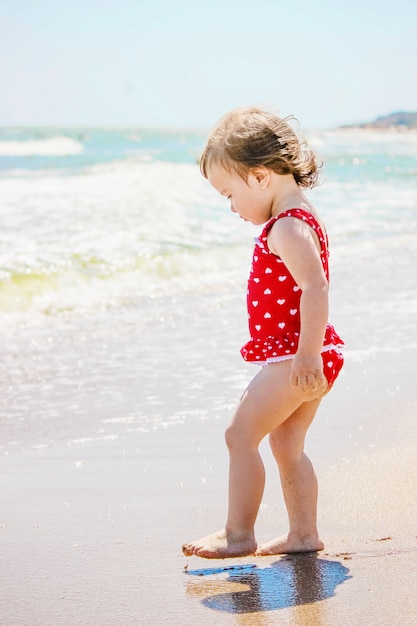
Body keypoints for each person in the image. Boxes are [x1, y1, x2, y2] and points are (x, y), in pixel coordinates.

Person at [182, 106, 344, 559]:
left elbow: (315, 287)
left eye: (229, 194)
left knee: (240, 435)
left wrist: (307, 357)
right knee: (286, 444)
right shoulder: (300, 217)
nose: (232, 206)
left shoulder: (288, 227)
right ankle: (303, 535)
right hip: (310, 351)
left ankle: (238, 535)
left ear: (259, 178)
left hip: (300, 355)